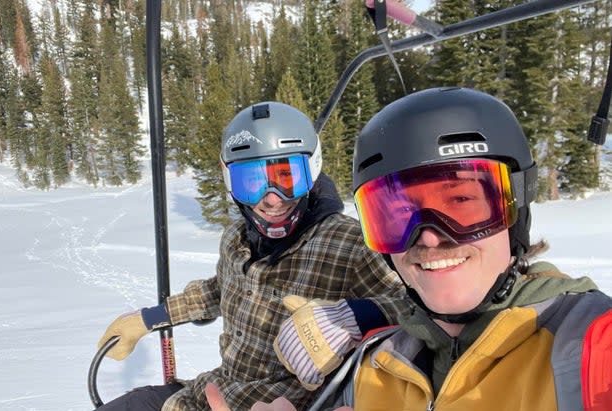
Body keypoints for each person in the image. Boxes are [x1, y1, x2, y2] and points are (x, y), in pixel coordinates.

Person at [205, 87, 612, 411]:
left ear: (515, 206)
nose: (430, 237)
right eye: (397, 216)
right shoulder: (371, 369)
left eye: (462, 202)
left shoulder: (587, 347)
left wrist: (363, 313)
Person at [93, 101, 409, 411]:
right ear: (231, 182)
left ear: (311, 171)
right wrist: (149, 318)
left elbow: (416, 308)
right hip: (208, 392)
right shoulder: (236, 238)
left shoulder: (348, 243)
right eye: (252, 182)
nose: (272, 199)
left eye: (287, 178)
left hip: (286, 404)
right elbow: (219, 290)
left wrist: (355, 317)